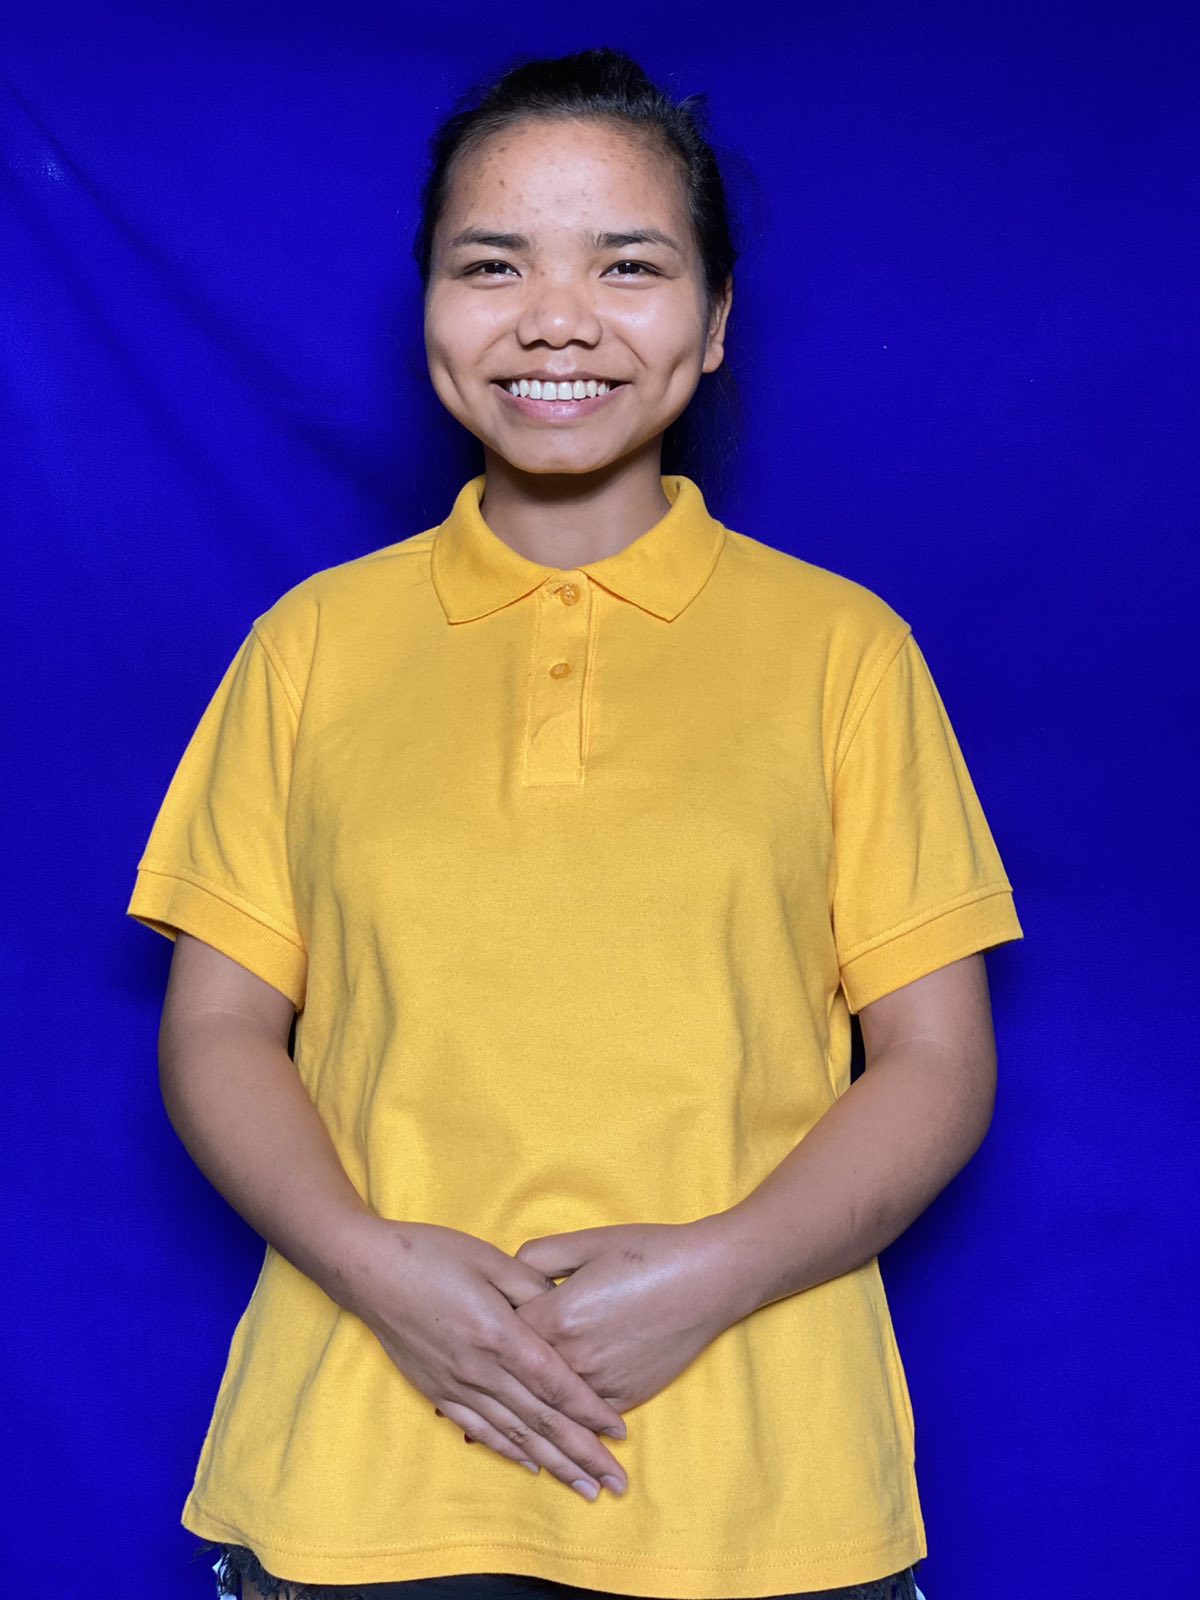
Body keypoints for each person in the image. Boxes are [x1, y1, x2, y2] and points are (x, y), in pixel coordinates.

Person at [127, 46, 1021, 1600]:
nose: (556, 318)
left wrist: (714, 1275)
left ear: (717, 320)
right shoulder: (310, 646)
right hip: (365, 1481)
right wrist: (377, 1270)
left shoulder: (845, 653)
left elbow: (937, 1064)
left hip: (760, 1496)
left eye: (629, 265)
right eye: (493, 265)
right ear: (427, 307)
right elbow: (216, 1030)